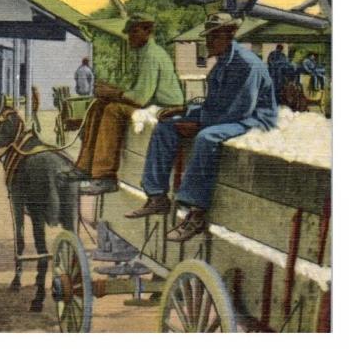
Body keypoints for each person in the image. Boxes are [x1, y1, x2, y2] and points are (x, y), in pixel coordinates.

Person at [125, 13, 277, 242]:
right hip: (229, 115)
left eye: (213, 36)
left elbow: (237, 111)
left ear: (230, 34)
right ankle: (157, 196)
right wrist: (184, 111)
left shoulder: (246, 64)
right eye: (208, 37)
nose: (208, 42)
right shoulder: (223, 62)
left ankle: (196, 213)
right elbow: (214, 104)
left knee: (206, 137)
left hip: (254, 119)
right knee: (165, 127)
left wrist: (198, 123)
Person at [77, 13, 184, 195]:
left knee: (112, 110)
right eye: (129, 33)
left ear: (148, 31)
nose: (130, 37)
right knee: (98, 105)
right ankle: (84, 167)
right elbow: (138, 92)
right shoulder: (144, 54)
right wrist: (110, 91)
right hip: (153, 105)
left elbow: (140, 98)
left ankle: (105, 176)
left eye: (134, 32)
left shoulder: (152, 55)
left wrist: (113, 93)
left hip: (165, 109)